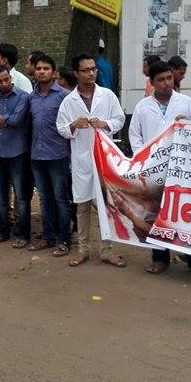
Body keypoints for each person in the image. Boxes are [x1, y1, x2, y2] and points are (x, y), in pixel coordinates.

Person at [129, 60, 191, 275]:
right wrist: (142, 158)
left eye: (169, 78)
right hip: (153, 170)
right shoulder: (143, 107)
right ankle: (160, 257)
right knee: (156, 213)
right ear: (151, 82)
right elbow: (135, 135)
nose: (166, 83)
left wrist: (189, 123)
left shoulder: (186, 103)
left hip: (181, 170)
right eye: (160, 80)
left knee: (185, 213)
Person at [56, 53, 126, 268]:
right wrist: (74, 125)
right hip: (82, 160)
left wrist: (104, 124)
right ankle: (83, 249)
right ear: (76, 74)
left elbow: (119, 119)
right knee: (83, 205)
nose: (91, 73)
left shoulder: (107, 96)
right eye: (86, 70)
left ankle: (107, 249)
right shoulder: (69, 101)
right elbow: (61, 128)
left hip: (103, 158)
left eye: (93, 69)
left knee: (106, 205)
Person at [28, 53, 72, 256]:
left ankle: (64, 239)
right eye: (38, 69)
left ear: (54, 73)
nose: (42, 72)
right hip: (37, 155)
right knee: (45, 199)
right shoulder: (31, 97)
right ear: (34, 72)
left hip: (58, 155)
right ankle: (48, 237)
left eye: (46, 68)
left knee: (61, 199)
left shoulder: (65, 96)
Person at [0, 66, 31, 247]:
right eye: (0, 81)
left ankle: (23, 233)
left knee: (21, 195)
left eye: (6, 80)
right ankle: (3, 230)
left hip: (18, 152)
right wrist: (4, 119)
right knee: (0, 196)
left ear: (10, 78)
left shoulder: (22, 97)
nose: (4, 84)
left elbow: (17, 120)